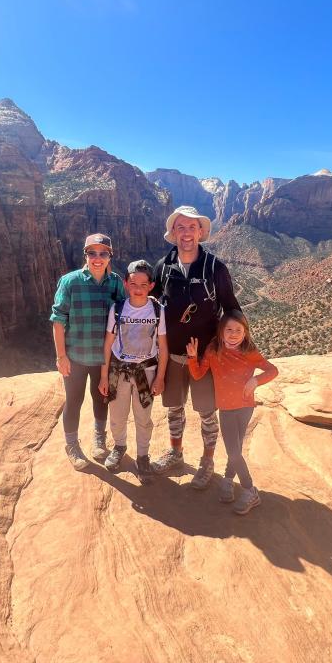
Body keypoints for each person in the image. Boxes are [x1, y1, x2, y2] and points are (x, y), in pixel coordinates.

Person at [150, 206, 241, 488]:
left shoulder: (215, 268)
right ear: (173, 233)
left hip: (205, 359)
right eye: (181, 227)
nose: (186, 233)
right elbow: (149, 306)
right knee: (174, 408)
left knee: (206, 413)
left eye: (192, 227)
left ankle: (207, 462)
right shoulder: (163, 267)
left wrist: (233, 351)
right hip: (173, 356)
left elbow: (232, 310)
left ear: (200, 232)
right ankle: (176, 454)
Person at [186, 310, 278, 515]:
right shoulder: (213, 350)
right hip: (226, 408)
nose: (234, 334)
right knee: (234, 450)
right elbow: (198, 373)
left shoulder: (249, 351)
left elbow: (272, 371)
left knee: (234, 450)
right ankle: (229, 480)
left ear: (245, 332)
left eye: (239, 330)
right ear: (221, 332)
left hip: (245, 406)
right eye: (229, 329)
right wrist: (193, 357)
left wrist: (255, 381)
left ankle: (248, 490)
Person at [51, 233, 126, 470]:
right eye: (92, 253)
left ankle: (99, 438)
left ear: (109, 256)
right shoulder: (70, 281)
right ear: (85, 255)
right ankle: (72, 445)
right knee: (74, 401)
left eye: (103, 253)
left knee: (101, 397)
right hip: (75, 356)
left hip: (103, 358)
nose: (97, 258)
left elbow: (125, 317)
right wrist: (61, 356)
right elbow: (58, 320)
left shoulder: (115, 282)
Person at [99, 260, 168, 484]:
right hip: (117, 372)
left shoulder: (158, 310)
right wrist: (103, 376)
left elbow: (163, 347)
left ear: (151, 286)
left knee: (143, 418)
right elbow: (108, 344)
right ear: (126, 284)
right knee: (117, 415)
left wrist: (160, 377)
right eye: (133, 283)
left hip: (145, 373)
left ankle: (142, 456)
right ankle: (119, 447)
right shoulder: (117, 308)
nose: (138, 288)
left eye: (143, 284)